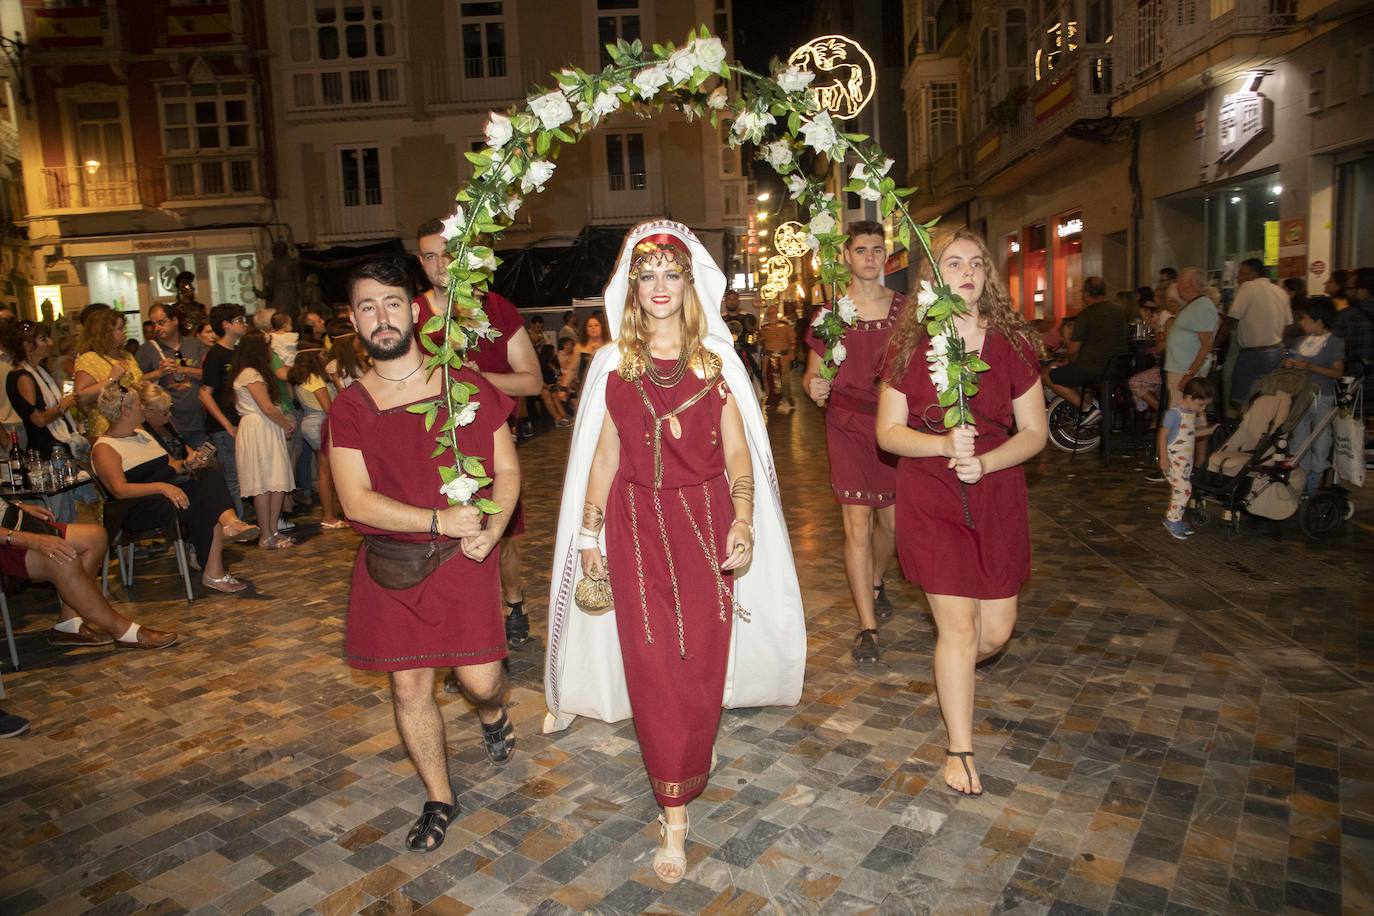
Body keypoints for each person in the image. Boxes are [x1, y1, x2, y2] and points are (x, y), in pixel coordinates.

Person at [544, 220, 805, 884]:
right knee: (656, 663)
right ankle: (675, 811)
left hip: (705, 523)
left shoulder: (716, 363)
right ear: (632, 288)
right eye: (647, 276)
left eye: (671, 276)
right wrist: (588, 532)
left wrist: (743, 518)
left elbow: (740, 451)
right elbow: (605, 457)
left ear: (689, 285)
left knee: (700, 660)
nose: (659, 288)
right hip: (635, 527)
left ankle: (692, 747)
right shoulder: (613, 365)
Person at [328, 258, 520, 852]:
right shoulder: (351, 407)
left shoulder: (464, 384)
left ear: (413, 312)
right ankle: (439, 796)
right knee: (410, 690)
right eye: (367, 307)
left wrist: (492, 522)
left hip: (464, 557)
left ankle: (491, 712)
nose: (380, 317)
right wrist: (436, 518)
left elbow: (507, 469)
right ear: (355, 323)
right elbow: (357, 501)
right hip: (392, 565)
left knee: (482, 681)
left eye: (390, 303)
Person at [875, 227, 1048, 796]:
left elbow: (1036, 432)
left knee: (995, 632)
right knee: (958, 627)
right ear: (933, 276)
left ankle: (952, 679)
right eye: (953, 263)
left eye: (976, 263)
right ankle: (960, 747)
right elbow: (889, 432)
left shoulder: (1013, 343)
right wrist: (944, 445)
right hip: (930, 490)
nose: (967, 272)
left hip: (997, 493)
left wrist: (990, 461)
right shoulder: (909, 345)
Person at [417, 219, 543, 650]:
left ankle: (514, 601)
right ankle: (462, 627)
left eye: (446, 253)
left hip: (490, 449)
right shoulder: (410, 313)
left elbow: (531, 382)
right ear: (420, 261)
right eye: (429, 256)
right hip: (431, 448)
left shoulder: (496, 308)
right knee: (441, 542)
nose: (439, 264)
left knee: (500, 538)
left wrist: (478, 377)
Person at [802, 220, 905, 664]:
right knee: (856, 526)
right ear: (846, 256)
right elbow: (813, 372)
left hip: (894, 428)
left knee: (894, 527)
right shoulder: (831, 314)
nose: (869, 257)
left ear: (885, 255)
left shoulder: (906, 310)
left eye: (876, 249)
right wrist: (813, 385)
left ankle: (877, 580)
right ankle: (867, 625)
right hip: (846, 424)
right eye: (861, 249)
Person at [92, 385, 256, 593]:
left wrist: (189, 464)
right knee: (203, 499)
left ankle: (230, 526)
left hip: (171, 494)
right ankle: (219, 557)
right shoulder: (105, 448)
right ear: (125, 411)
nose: (143, 407)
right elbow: (119, 490)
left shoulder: (142, 434)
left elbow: (172, 466)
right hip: (140, 507)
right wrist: (161, 487)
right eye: (138, 404)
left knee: (208, 476)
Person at [1, 498, 178, 648]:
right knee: (63, 558)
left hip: (11, 522)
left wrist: (16, 505)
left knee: (95, 537)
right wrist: (33, 540)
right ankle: (121, 629)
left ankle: (68, 623)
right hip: (5, 539)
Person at [231, 329, 296, 548]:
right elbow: (266, 407)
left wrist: (284, 420)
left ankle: (273, 531)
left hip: (266, 427)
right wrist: (286, 424)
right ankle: (266, 534)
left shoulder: (254, 372)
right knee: (263, 482)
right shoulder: (250, 373)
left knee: (274, 480)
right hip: (259, 429)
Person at [1043, 276, 1127, 421]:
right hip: (1119, 367)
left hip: (1092, 369)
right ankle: (1089, 412)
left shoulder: (1086, 315)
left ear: (1086, 294)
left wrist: (1068, 363)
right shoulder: (1119, 311)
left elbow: (1073, 350)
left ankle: (1088, 410)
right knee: (1077, 378)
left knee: (1048, 377)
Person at [1284, 297, 1346, 494]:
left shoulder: (1334, 343)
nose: (1301, 322)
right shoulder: (1301, 341)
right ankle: (1300, 480)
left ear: (1319, 321)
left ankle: (1315, 482)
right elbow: (1290, 359)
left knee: (1321, 440)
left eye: (1305, 319)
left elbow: (1338, 372)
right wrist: (1290, 364)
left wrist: (1311, 367)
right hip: (1301, 396)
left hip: (1323, 396)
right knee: (1299, 439)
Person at [136, 304, 208, 448]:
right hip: (166, 425)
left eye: (161, 323)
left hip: (198, 422)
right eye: (154, 324)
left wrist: (183, 370)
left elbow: (209, 375)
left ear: (174, 320)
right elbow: (137, 383)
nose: (157, 328)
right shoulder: (147, 350)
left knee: (205, 465)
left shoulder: (195, 345)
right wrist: (159, 373)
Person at [288, 347, 345, 529]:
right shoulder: (315, 378)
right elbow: (329, 407)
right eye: (321, 354)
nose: (325, 356)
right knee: (326, 473)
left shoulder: (301, 379)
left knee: (325, 471)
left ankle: (331, 514)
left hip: (310, 421)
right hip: (321, 422)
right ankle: (329, 516)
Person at [199, 304, 248, 516]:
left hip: (239, 420)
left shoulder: (237, 352)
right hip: (224, 426)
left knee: (243, 475)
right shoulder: (216, 355)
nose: (244, 324)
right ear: (226, 325)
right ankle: (236, 522)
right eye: (239, 320)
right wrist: (226, 425)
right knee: (233, 476)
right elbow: (204, 393)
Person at [1226, 259, 1291, 407]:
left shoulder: (1247, 287)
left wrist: (1214, 343)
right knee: (1269, 398)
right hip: (1276, 351)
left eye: (1241, 274)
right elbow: (1287, 326)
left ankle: (1247, 427)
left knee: (1240, 400)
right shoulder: (1280, 291)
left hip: (1253, 354)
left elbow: (1232, 319)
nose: (1238, 278)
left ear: (1253, 274)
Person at [73, 308, 143, 439]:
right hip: (107, 429)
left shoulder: (126, 355)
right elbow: (81, 397)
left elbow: (137, 382)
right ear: (104, 332)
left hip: (135, 425)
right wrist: (112, 378)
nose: (125, 332)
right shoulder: (89, 358)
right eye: (120, 328)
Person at [1157, 377, 1214, 539]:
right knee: (1184, 489)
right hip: (1173, 460)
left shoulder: (1189, 413)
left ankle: (1176, 518)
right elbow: (1163, 435)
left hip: (1184, 462)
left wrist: (1207, 432)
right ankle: (1172, 520)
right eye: (1201, 404)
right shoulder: (1174, 414)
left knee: (1182, 490)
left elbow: (1189, 434)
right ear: (1189, 398)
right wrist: (1163, 458)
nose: (1202, 409)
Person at [1163, 267, 1219, 408]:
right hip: (1179, 368)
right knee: (1190, 414)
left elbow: (1206, 344)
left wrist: (1190, 373)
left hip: (1185, 369)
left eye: (1179, 283)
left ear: (1189, 284)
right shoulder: (1193, 305)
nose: (1176, 287)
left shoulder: (1202, 307)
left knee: (1182, 414)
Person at [1332, 267, 1373, 385]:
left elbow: (1335, 348)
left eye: (1351, 288)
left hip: (1359, 382)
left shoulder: (1348, 315)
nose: (1347, 291)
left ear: (1363, 290)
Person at [561, 314, 607, 399]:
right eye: (590, 326)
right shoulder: (579, 347)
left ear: (602, 327)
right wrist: (563, 388)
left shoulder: (609, 346)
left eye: (596, 325)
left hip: (604, 387)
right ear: (586, 329)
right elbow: (572, 369)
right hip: (585, 388)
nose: (593, 328)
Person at [324, 319, 368, 390]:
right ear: (348, 343)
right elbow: (341, 391)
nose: (359, 341)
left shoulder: (358, 358)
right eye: (357, 339)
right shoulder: (334, 365)